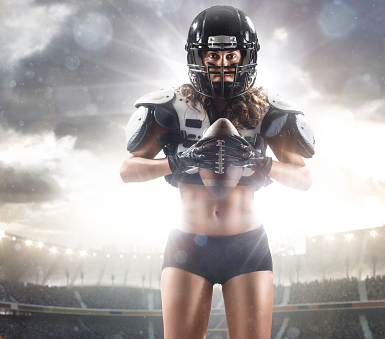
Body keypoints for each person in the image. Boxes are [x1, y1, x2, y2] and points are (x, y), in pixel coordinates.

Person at [120, 5, 315, 339]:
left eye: (231, 56)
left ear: (246, 56)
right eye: (213, 55)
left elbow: (304, 179)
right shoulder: (171, 105)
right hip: (187, 244)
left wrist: (261, 162)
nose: (222, 65)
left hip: (248, 244)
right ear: (198, 56)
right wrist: (179, 161)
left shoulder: (269, 109)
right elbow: (127, 170)